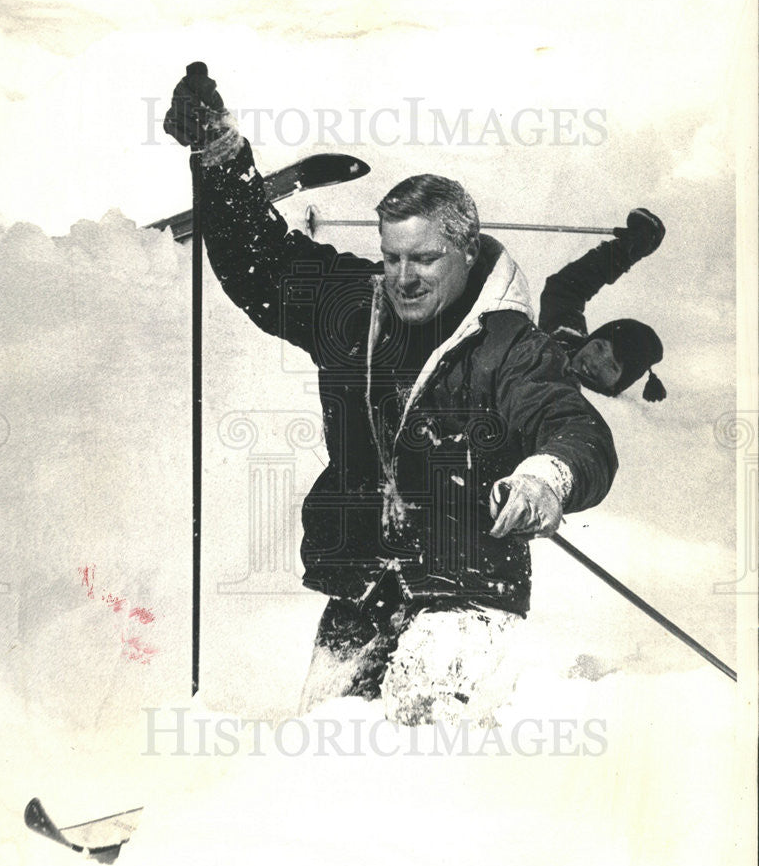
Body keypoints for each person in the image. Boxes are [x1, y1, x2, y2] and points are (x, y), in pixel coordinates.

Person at [164, 65, 618, 722]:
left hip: (465, 593)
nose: (403, 277)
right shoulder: (352, 306)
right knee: (324, 744)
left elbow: (572, 429)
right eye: (393, 256)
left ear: (464, 253)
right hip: (362, 582)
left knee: (414, 767)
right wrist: (218, 154)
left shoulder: (510, 346)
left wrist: (545, 478)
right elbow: (257, 258)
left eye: (424, 260)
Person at [539, 209, 667, 401]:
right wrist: (622, 253)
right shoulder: (562, 346)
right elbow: (566, 289)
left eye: (612, 366)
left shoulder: (599, 415)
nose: (595, 364)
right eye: (598, 347)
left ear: (619, 383)